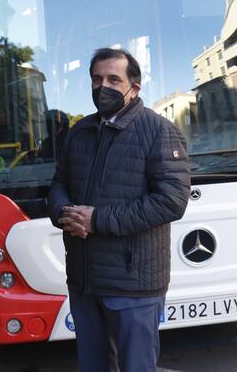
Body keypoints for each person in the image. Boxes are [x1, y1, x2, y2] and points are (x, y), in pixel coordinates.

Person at [48, 48, 191, 372]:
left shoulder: (159, 130)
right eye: (97, 79)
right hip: (85, 280)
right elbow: (59, 183)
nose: (103, 87)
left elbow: (171, 200)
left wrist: (96, 220)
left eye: (114, 79)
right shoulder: (80, 132)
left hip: (133, 285)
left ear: (134, 88)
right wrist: (64, 212)